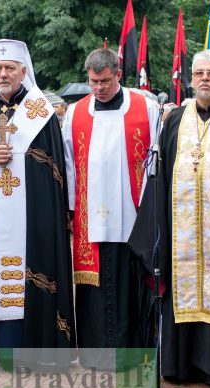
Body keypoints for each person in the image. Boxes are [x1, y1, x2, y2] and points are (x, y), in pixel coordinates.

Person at [129, 49, 210, 387]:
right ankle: (179, 365)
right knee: (180, 291)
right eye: (199, 73)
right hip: (180, 233)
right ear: (190, 79)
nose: (204, 79)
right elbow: (160, 177)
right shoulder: (174, 120)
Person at [0, 39, 75, 367]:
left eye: (10, 68)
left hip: (33, 216)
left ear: (24, 71)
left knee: (35, 274)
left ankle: (38, 350)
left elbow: (54, 169)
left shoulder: (41, 113)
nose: (4, 73)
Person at [61, 48, 158, 366]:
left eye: (104, 81)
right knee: (94, 290)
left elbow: (155, 160)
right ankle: (94, 354)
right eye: (92, 82)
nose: (98, 88)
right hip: (91, 218)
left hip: (132, 214)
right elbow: (69, 166)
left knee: (129, 286)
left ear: (118, 74)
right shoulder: (75, 113)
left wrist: (150, 210)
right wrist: (72, 209)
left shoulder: (145, 106)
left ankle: (133, 353)